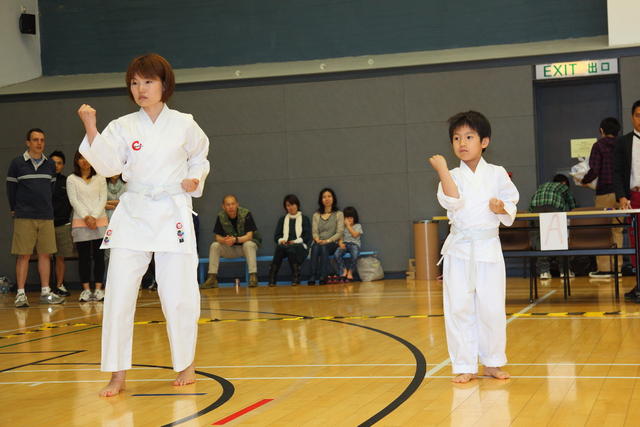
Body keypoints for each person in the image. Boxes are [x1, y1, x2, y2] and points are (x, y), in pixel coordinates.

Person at [76, 53, 210, 397]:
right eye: (134, 83)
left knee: (178, 294)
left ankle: (185, 363)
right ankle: (117, 373)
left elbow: (200, 156)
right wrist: (91, 128)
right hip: (134, 212)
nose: (140, 89)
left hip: (172, 209)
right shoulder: (123, 126)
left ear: (164, 84)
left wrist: (194, 178)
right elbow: (107, 167)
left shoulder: (184, 123)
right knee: (118, 294)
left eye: (148, 82)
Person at [429, 110, 518, 384]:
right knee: (459, 307)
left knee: (491, 307)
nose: (462, 143)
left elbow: (511, 201)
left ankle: (492, 362)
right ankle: (464, 363)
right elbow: (452, 201)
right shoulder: (452, 174)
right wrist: (443, 170)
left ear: (485, 141)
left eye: (469, 136)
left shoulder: (498, 172)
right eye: (456, 138)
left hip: (488, 247)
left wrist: (500, 206)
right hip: (459, 249)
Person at [6, 128, 65, 308]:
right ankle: (21, 294)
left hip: (46, 217)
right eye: (35, 140)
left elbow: (51, 189)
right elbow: (11, 189)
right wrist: (15, 209)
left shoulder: (49, 165)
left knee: (45, 254)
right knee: (23, 255)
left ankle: (46, 292)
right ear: (28, 143)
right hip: (24, 216)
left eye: (42, 140)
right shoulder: (17, 163)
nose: (39, 143)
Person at [581, 117, 623, 278]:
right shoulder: (623, 144)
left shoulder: (598, 145)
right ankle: (617, 268)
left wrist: (583, 180)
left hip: (604, 192)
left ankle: (605, 269)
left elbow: (595, 169)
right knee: (617, 230)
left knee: (603, 231)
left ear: (602, 131)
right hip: (621, 194)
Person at [66, 151, 108, 302]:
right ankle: (85, 290)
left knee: (99, 257)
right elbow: (74, 200)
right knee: (83, 258)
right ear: (77, 161)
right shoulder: (72, 179)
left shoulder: (100, 177)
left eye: (87, 158)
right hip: (80, 221)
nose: (84, 161)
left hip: (100, 221)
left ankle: (98, 289)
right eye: (81, 158)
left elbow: (103, 198)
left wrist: (94, 217)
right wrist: (86, 217)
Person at [202, 195, 262, 288]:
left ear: (237, 204)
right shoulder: (221, 216)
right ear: (223, 206)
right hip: (231, 248)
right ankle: (212, 278)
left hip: (245, 249)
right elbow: (217, 237)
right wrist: (225, 240)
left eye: (233, 204)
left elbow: (249, 236)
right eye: (228, 204)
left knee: (248, 244)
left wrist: (236, 239)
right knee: (215, 245)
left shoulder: (246, 214)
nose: (231, 207)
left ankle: (253, 277)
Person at [613, 100, 640, 301]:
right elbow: (618, 173)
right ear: (632, 117)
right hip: (634, 197)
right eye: (638, 115)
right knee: (636, 241)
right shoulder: (623, 142)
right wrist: (622, 196)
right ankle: (639, 284)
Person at [529, 174, 577, 279]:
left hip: (536, 210)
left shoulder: (542, 186)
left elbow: (531, 205)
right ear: (564, 183)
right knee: (558, 239)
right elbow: (572, 205)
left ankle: (544, 272)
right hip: (554, 207)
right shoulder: (563, 187)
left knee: (540, 240)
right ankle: (564, 271)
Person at [268, 194, 311, 286]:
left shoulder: (305, 219)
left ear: (297, 205)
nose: (290, 207)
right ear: (285, 207)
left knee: (291, 248)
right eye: (288, 205)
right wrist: (281, 240)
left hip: (300, 247)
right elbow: (277, 236)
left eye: (292, 204)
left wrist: (295, 241)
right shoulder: (282, 220)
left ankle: (296, 276)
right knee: (280, 247)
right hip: (285, 246)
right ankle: (272, 277)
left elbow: (307, 236)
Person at [49, 150, 73, 297]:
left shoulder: (67, 181)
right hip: (45, 224)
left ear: (63, 165)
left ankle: (59, 285)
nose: (56, 166)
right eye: (53, 163)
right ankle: (47, 287)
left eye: (59, 163)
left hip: (62, 224)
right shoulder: (43, 180)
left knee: (60, 256)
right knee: (45, 256)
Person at [309, 188, 344, 285]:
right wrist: (317, 239)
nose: (327, 199)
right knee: (315, 247)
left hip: (332, 243)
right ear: (321, 200)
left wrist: (327, 241)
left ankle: (323, 276)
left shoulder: (339, 214)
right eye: (324, 197)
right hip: (319, 242)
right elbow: (315, 231)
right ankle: (312, 275)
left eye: (329, 196)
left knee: (323, 247)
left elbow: (340, 232)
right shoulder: (316, 215)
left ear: (333, 198)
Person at [103, 174, 126, 280]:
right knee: (107, 253)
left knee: (122, 251)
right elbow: (99, 202)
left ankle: (123, 279)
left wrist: (108, 203)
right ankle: (109, 280)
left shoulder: (127, 184)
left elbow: (127, 202)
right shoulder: (103, 184)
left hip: (123, 222)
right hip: (105, 222)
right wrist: (118, 204)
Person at [334, 206, 363, 282]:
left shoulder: (358, 226)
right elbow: (340, 237)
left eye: (351, 217)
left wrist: (348, 226)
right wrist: (340, 243)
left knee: (355, 254)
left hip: (354, 244)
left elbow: (355, 235)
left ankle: (350, 271)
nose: (349, 219)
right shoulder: (342, 227)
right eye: (347, 218)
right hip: (345, 244)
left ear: (355, 218)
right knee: (337, 254)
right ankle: (343, 270)